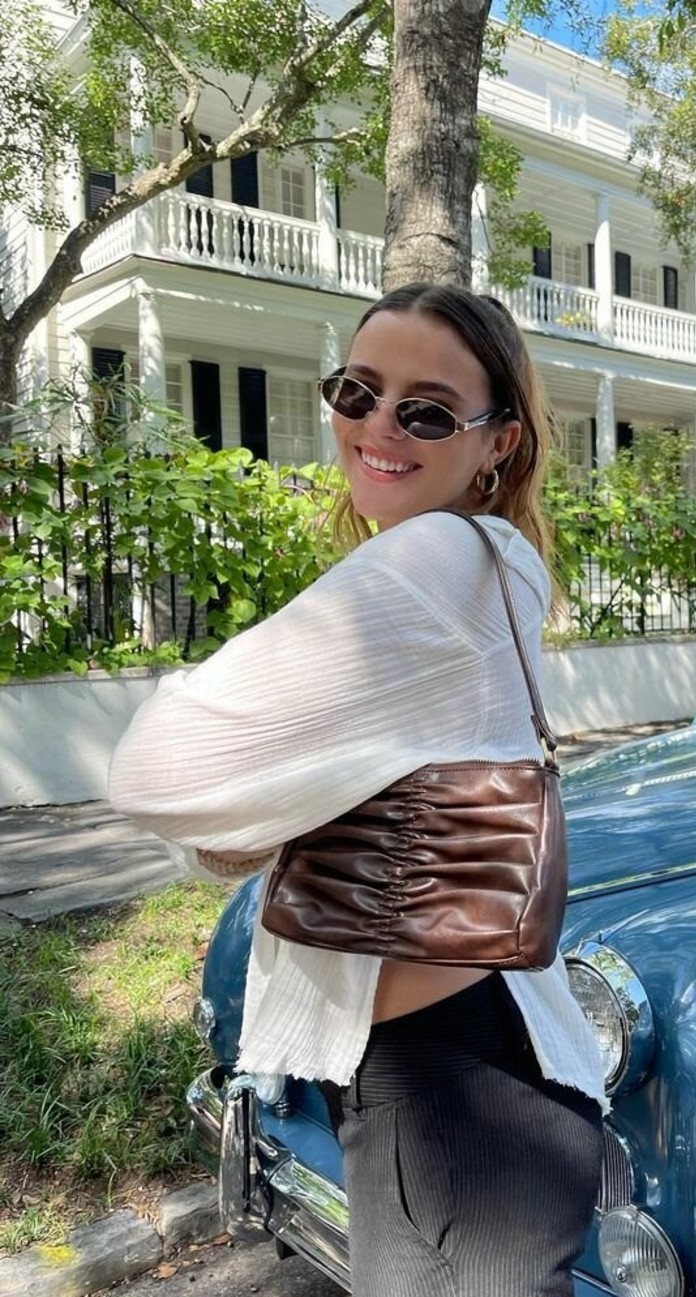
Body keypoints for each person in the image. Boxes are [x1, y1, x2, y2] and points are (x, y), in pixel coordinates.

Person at [109, 282, 607, 1297]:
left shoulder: (438, 554)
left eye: (427, 411)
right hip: (468, 1071)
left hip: (452, 1091)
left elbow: (153, 768)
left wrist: (244, 762)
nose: (379, 426)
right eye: (358, 391)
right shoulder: (484, 560)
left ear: (498, 441)